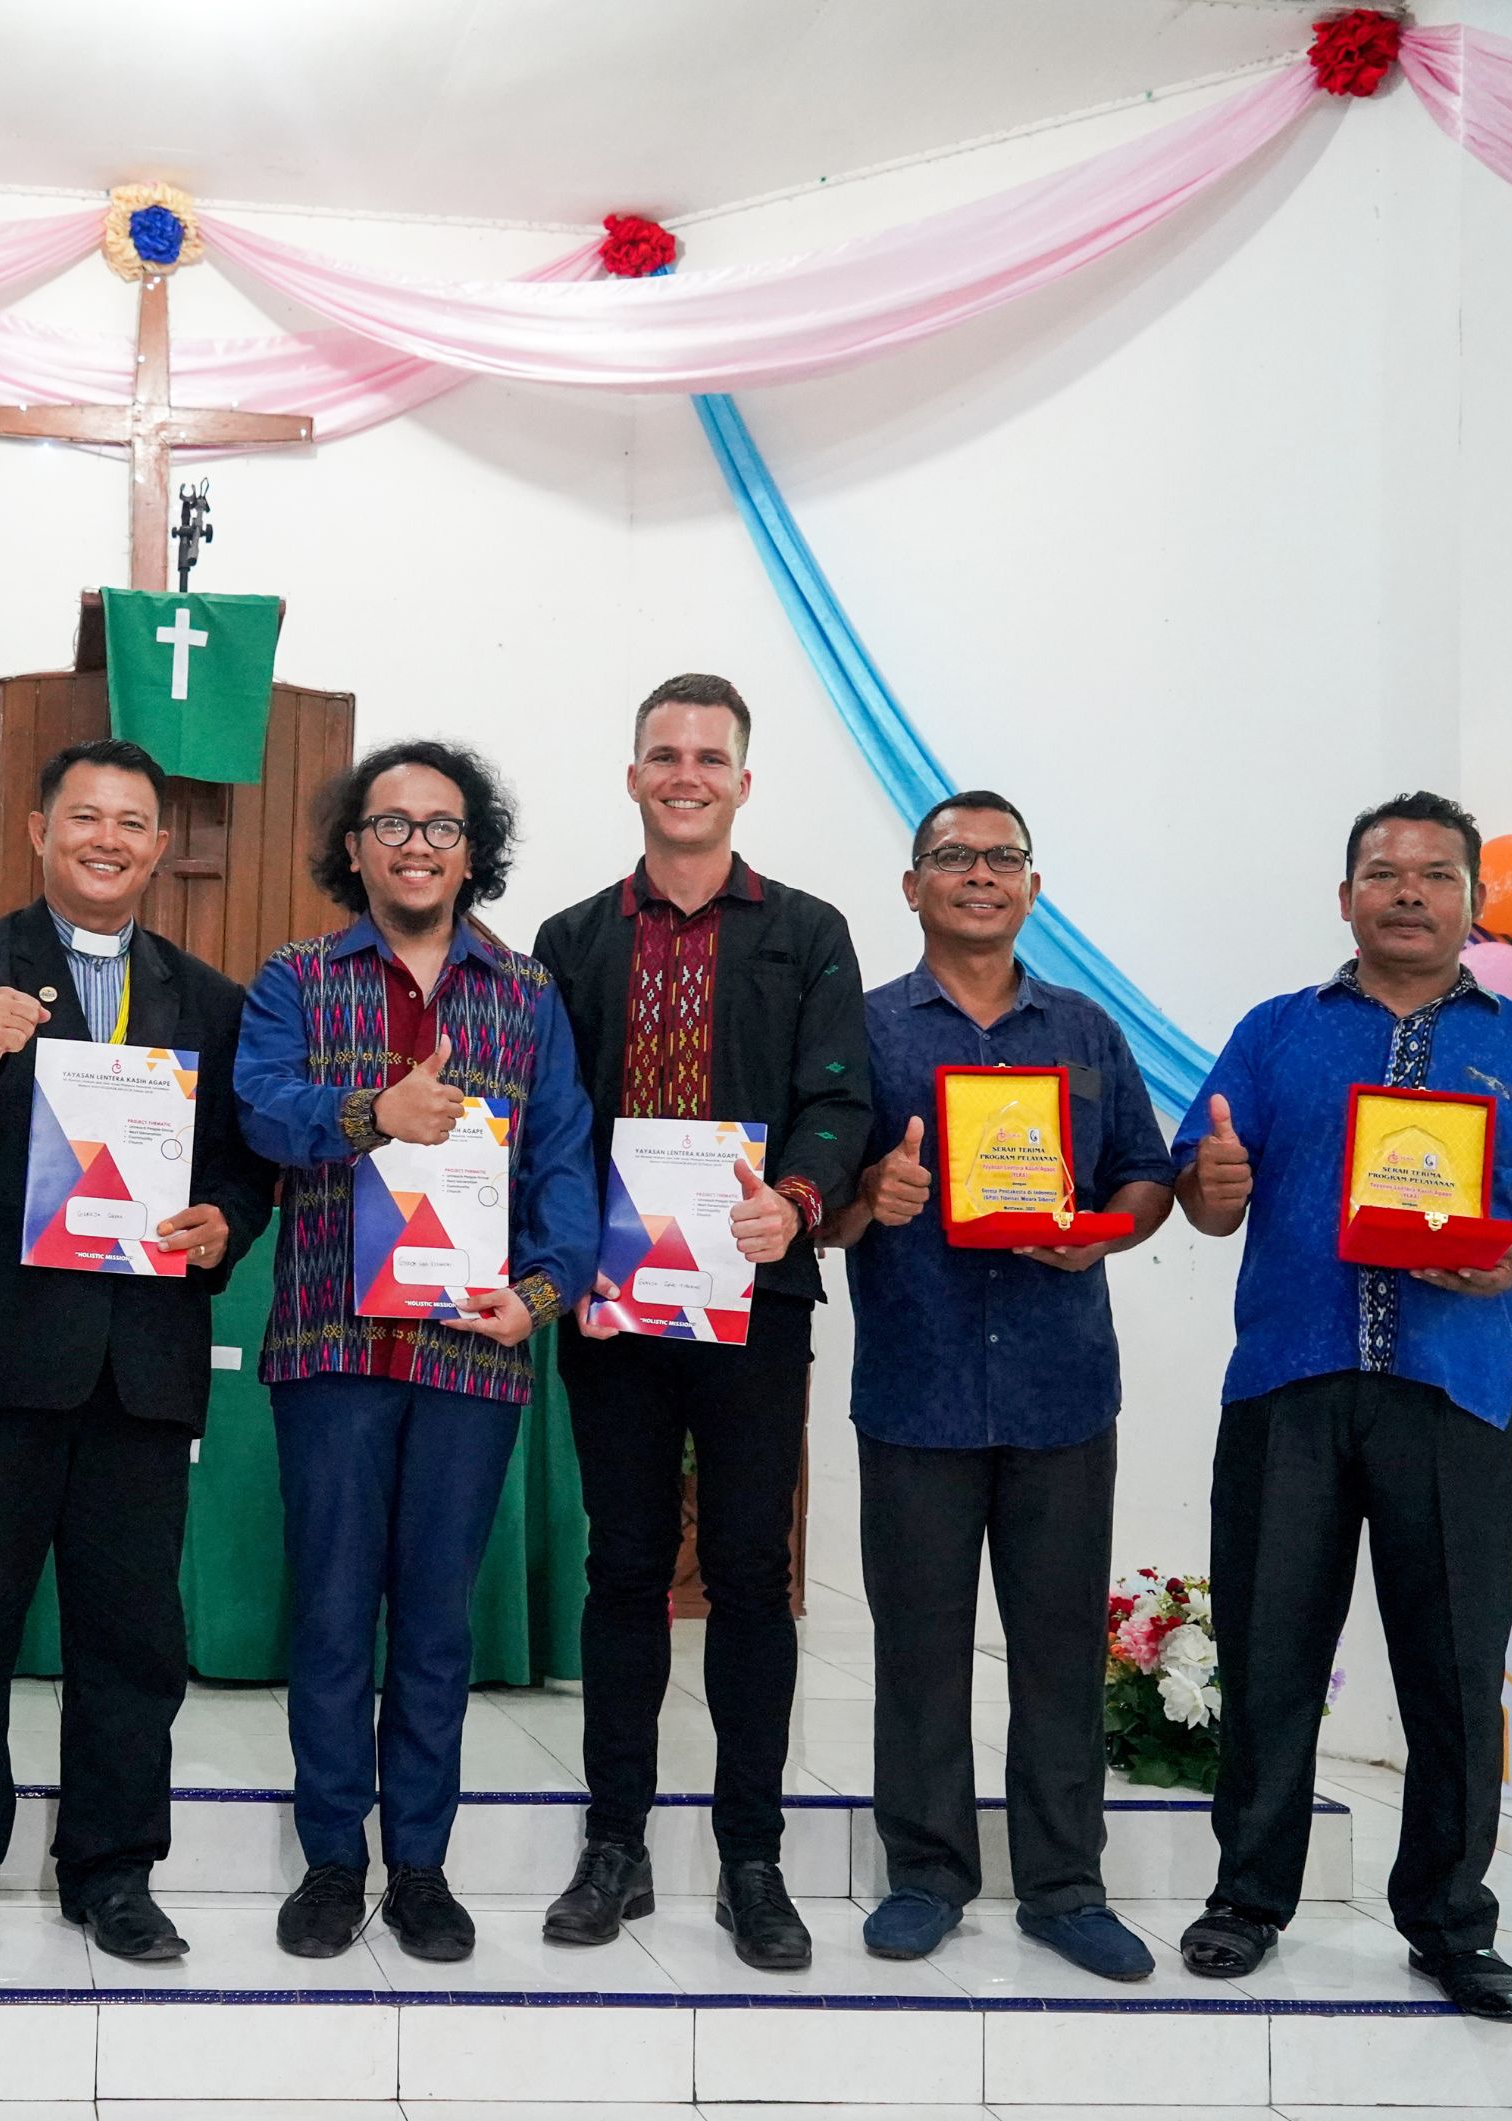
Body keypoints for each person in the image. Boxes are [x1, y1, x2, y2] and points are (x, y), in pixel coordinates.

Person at [1168, 791, 1512, 2024]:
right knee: (1269, 1659)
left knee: (1453, 1674)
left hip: (1457, 1395)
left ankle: (1449, 1925)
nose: (1410, 892)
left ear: (1473, 903)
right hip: (1288, 1391)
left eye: (1437, 875)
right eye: (1385, 873)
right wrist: (1214, 1183)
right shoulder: (1277, 1032)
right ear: (1347, 899)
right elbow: (1205, 1198)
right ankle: (1246, 1902)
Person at [0, 736, 272, 1966]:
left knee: (134, 1641)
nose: (108, 839)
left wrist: (224, 1225)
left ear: (158, 848)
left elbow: (242, 1165)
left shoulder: (211, 997)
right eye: (85, 815)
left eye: (132, 822)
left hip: (138, 1366)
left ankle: (113, 1871)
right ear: (40, 831)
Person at [530, 674, 870, 1970]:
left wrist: (799, 1198)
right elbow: (553, 1116)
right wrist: (563, 1255)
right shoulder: (572, 938)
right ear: (633, 776)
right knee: (623, 1567)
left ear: (742, 781)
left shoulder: (809, 932)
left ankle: (752, 1860)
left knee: (746, 1573)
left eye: (709, 756)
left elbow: (839, 1100)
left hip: (753, 1296)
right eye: (664, 754)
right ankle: (612, 1846)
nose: (686, 774)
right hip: (611, 1305)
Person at [236, 738, 595, 1965]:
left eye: (441, 827)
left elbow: (562, 1164)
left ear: (472, 850)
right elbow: (257, 1106)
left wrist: (540, 1295)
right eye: (391, 825)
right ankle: (334, 1862)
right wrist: (369, 1111)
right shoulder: (297, 978)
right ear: (353, 847)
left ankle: (423, 1869)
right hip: (332, 1347)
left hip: (472, 1353)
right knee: (333, 1616)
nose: (417, 846)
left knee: (438, 1626)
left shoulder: (527, 994)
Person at [813, 791, 1174, 1979]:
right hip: (915, 1386)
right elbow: (820, 1208)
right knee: (919, 1648)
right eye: (955, 857)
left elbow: (1144, 1176)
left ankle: (1066, 1887)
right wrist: (874, 1199)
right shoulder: (865, 1030)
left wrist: (1101, 1235)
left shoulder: (1085, 1030)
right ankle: (926, 1875)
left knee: (1060, 1648)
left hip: (1061, 1391)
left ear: (1033, 886)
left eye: (1003, 857)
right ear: (912, 885)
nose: (981, 875)